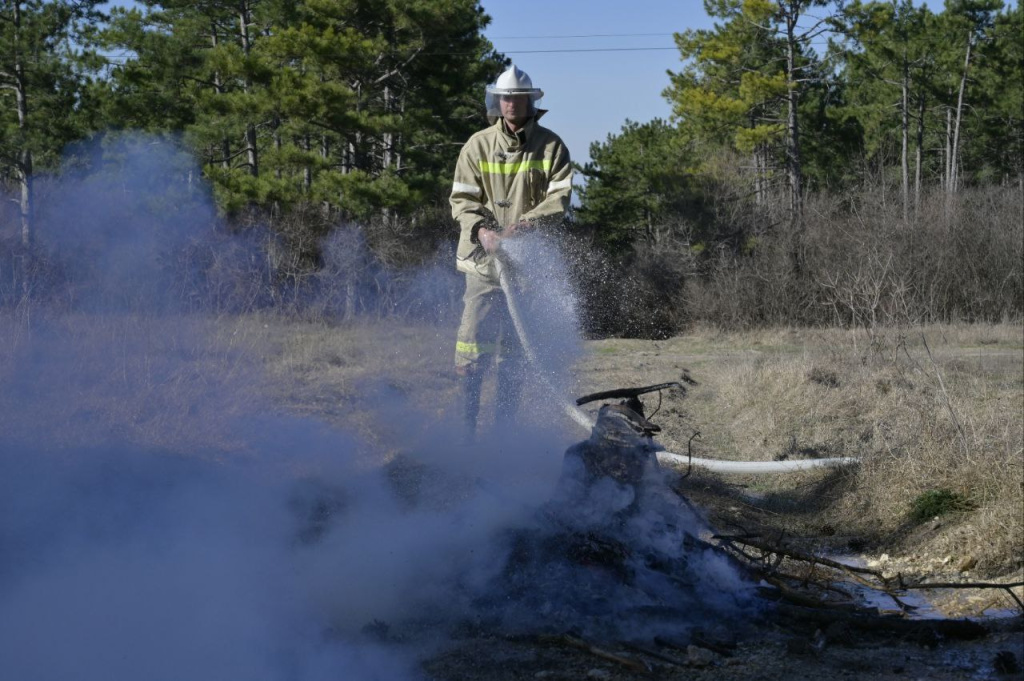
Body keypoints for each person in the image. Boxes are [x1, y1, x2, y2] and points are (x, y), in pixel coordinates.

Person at [449, 64, 573, 440]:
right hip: (483, 264)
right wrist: (482, 230)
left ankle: (503, 438)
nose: (509, 103)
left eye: (516, 97)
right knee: (472, 351)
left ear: (529, 101)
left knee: (515, 358)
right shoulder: (477, 144)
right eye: (504, 97)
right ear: (497, 101)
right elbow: (462, 199)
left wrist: (525, 227)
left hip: (528, 267)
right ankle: (465, 437)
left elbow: (559, 199)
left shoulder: (552, 146)